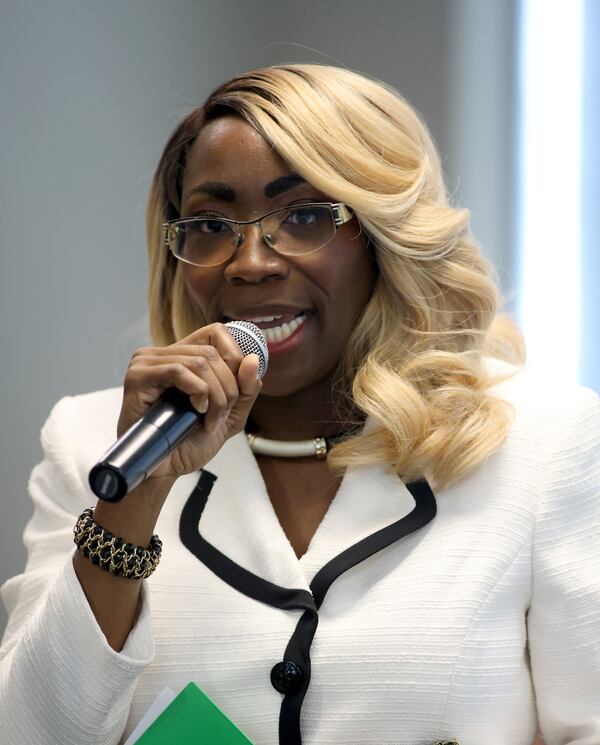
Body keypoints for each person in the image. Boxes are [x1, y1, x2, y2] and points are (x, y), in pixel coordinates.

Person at [0, 64, 598, 745]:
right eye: (210, 223)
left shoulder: (541, 444)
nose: (250, 260)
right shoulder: (93, 443)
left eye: (306, 215)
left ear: (382, 237)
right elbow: (28, 733)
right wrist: (133, 500)